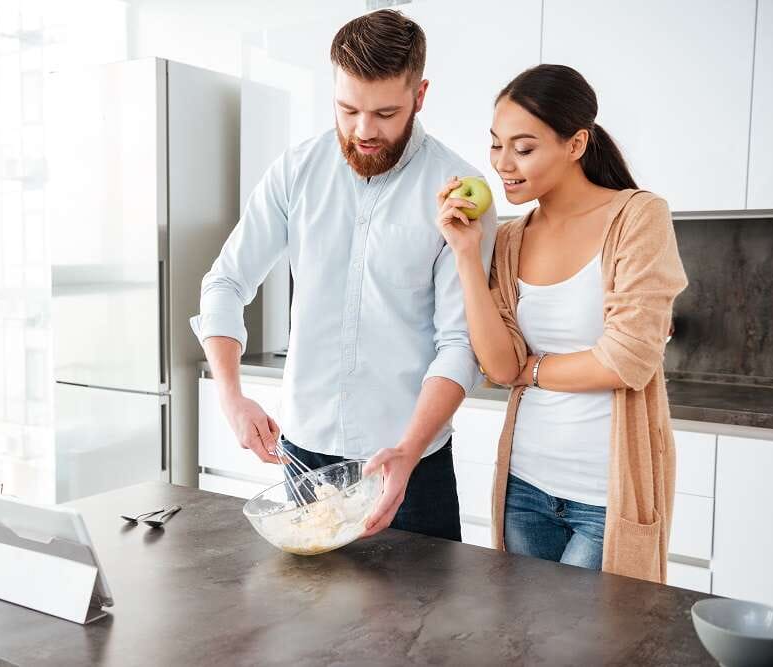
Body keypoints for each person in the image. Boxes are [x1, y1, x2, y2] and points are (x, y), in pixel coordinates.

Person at [190, 9, 497, 540]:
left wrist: (408, 449)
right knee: (313, 619)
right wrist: (232, 398)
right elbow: (225, 283)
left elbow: (458, 344)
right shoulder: (296, 171)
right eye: (347, 108)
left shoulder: (458, 190)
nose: (363, 131)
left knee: (432, 622)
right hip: (304, 458)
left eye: (384, 113)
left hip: (409, 463)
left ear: (420, 96)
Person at [435, 64, 687, 581]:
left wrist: (535, 372)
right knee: (523, 645)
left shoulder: (638, 217)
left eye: (523, 148)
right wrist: (466, 253)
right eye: (496, 145)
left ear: (576, 144)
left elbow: (628, 359)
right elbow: (500, 365)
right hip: (524, 485)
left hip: (606, 496)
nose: (503, 165)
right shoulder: (507, 239)